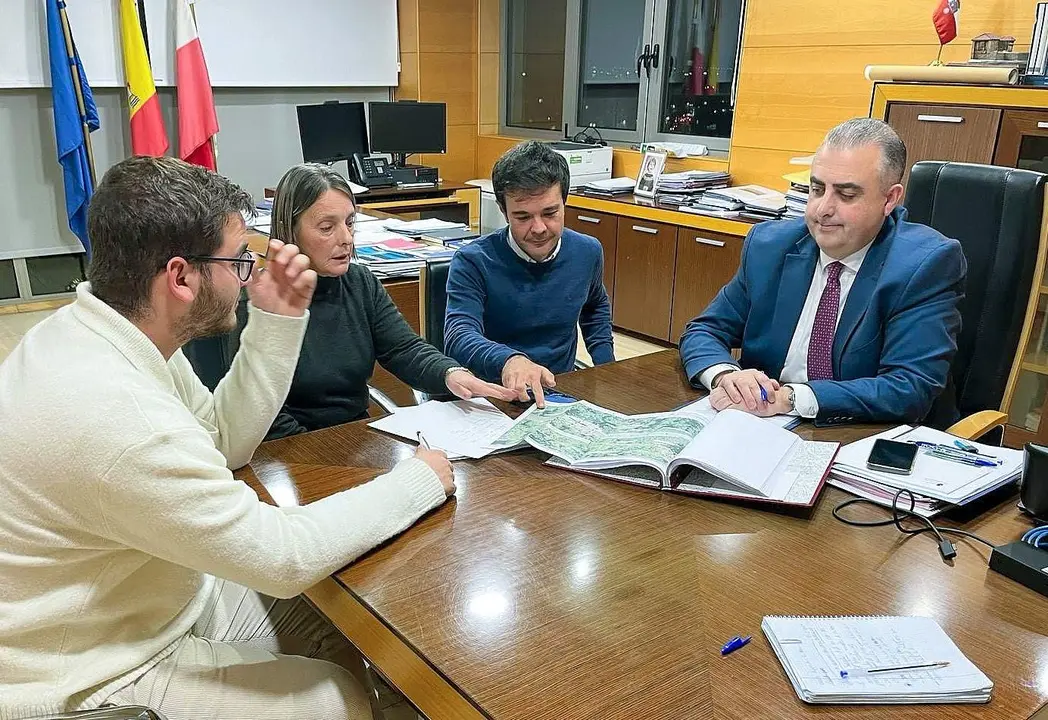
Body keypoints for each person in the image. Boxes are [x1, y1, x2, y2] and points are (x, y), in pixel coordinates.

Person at [0, 156, 456, 720]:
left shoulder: (108, 332)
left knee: (331, 620)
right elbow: (282, 556)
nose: (249, 273)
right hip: (92, 667)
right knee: (335, 701)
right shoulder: (120, 415)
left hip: (148, 598)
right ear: (181, 277)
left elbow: (221, 442)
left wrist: (278, 321)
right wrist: (418, 482)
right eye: (239, 259)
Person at [679, 118, 967, 425]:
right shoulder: (769, 246)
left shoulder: (923, 265)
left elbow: (910, 387)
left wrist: (791, 398)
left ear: (890, 199)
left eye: (846, 195)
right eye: (817, 189)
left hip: (860, 436)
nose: (822, 209)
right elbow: (704, 330)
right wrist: (725, 375)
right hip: (759, 427)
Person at [221, 163, 516, 441]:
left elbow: (404, 349)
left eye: (350, 223)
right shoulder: (263, 299)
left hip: (356, 438)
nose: (346, 238)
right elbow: (263, 416)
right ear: (290, 229)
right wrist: (322, 450)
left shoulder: (360, 282)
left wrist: (451, 374)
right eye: (327, 228)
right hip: (291, 451)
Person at [443, 140, 615, 407]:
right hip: (494, 397)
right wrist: (509, 360)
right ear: (504, 211)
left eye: (550, 213)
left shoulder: (587, 252)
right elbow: (459, 334)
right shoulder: (473, 261)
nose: (538, 228)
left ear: (564, 202)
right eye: (523, 217)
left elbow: (595, 306)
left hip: (560, 391)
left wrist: (606, 367)